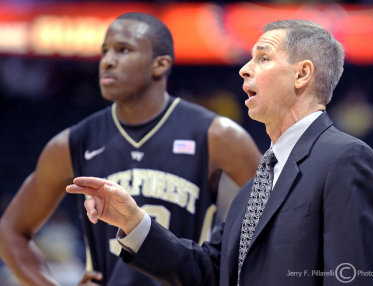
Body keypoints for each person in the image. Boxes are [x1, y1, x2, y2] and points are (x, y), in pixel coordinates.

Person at [66, 19, 373, 286]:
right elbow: (209, 271)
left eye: (263, 58)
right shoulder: (256, 185)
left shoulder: (346, 159)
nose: (245, 69)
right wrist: (133, 222)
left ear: (302, 73)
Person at [0, 12, 262, 286]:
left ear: (160, 65)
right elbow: (10, 231)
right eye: (105, 51)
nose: (108, 61)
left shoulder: (216, 135)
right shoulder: (73, 142)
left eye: (123, 50)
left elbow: (276, 216)